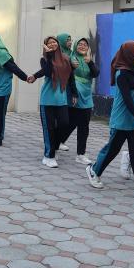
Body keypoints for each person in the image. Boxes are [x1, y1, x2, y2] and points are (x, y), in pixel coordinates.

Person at [86, 40, 134, 202]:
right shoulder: (122, 73)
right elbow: (127, 99)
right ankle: (94, 171)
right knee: (112, 149)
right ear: (128, 53)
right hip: (122, 118)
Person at [33, 35, 76, 168]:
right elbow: (47, 71)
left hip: (61, 99)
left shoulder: (65, 59)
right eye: (49, 43)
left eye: (54, 42)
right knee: (49, 128)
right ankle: (48, 156)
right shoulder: (44, 59)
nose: (52, 44)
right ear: (46, 46)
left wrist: (74, 93)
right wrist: (50, 55)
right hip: (47, 100)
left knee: (64, 124)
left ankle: (55, 146)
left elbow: (70, 77)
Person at [57, 37, 99, 165]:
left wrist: (90, 62)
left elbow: (96, 73)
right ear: (76, 46)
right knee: (70, 123)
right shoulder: (71, 58)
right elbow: (65, 74)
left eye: (85, 45)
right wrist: (71, 65)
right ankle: (55, 145)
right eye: (80, 44)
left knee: (82, 126)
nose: (82, 46)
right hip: (74, 95)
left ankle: (80, 153)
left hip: (86, 95)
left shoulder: (88, 59)